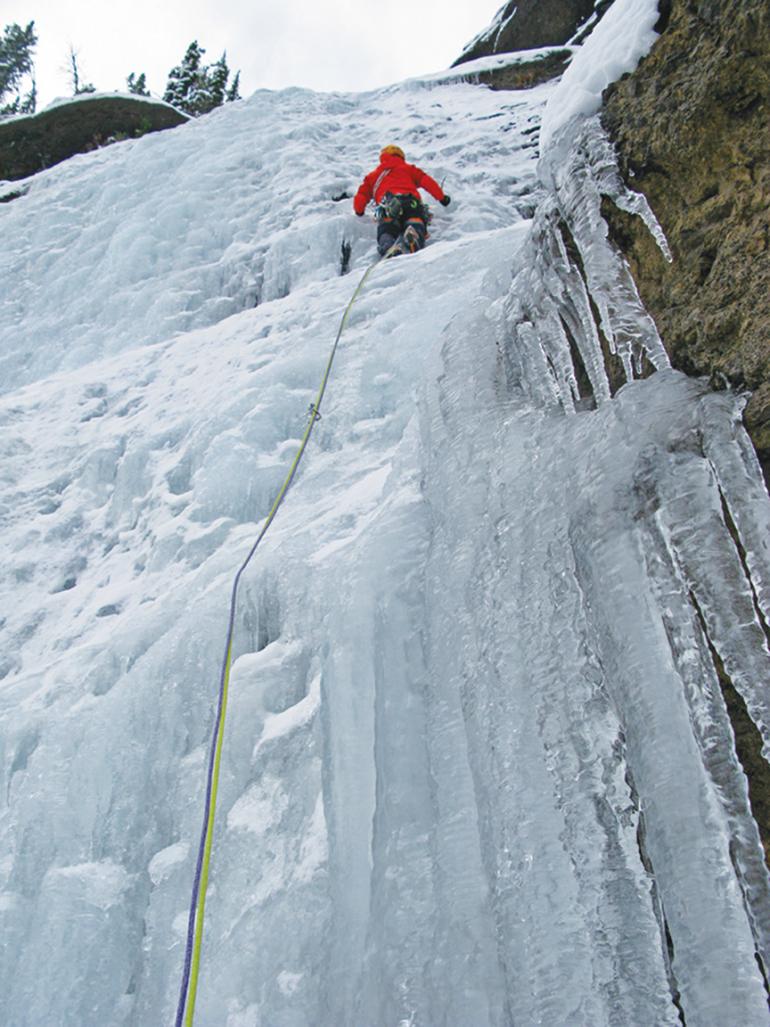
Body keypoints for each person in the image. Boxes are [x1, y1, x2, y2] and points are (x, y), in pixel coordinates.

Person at [353, 145, 451, 257]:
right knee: (415, 220)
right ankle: (414, 234)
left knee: (387, 228)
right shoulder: (409, 169)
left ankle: (388, 245)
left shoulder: (373, 176)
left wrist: (359, 211)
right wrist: (442, 198)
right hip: (411, 202)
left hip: (388, 203)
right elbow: (427, 181)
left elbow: (361, 195)